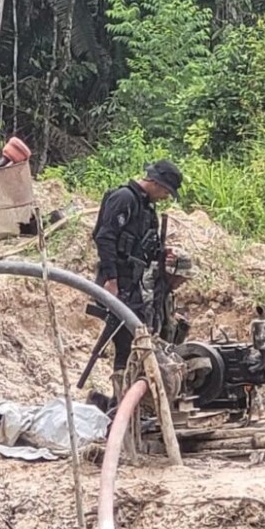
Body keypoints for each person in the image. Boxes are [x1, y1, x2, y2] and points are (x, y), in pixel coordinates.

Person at [92, 159, 183, 401]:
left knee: (140, 339)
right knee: (125, 343)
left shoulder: (146, 209)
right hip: (118, 284)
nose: (164, 196)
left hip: (135, 286)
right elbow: (104, 238)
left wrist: (164, 253)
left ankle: (128, 400)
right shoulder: (124, 198)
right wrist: (111, 281)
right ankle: (120, 402)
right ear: (154, 182)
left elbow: (144, 248)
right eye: (164, 190)